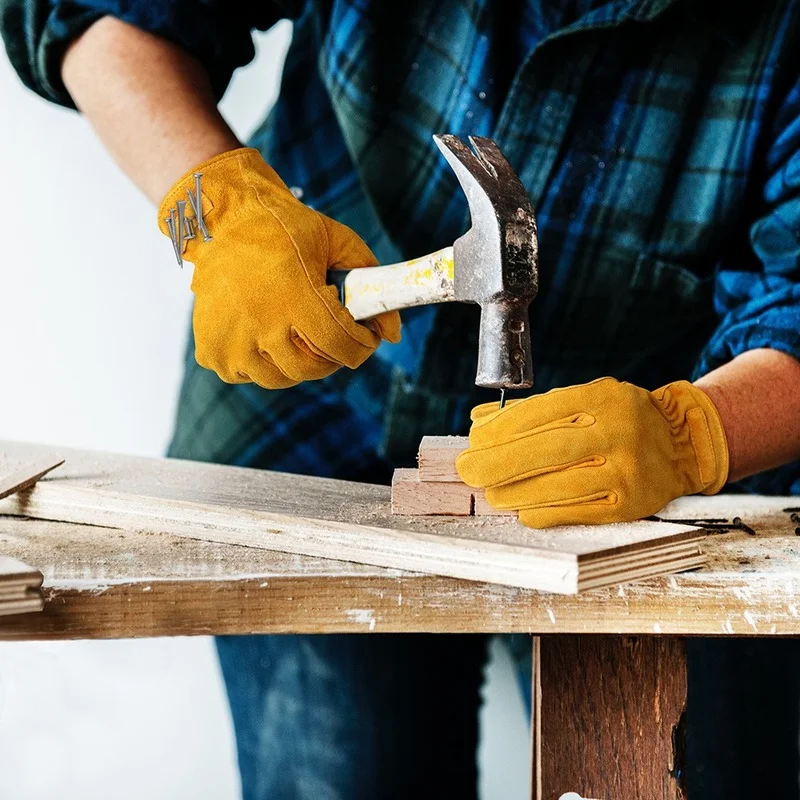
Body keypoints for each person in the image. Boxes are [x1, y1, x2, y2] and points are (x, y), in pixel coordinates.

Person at [3, 1, 800, 797]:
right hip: (310, 422)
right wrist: (217, 207)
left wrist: (689, 434)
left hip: (651, 476)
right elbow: (94, 15)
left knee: (678, 769)